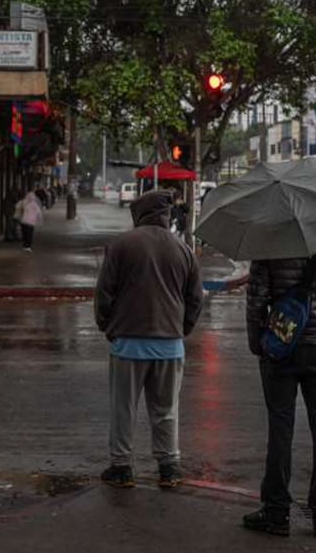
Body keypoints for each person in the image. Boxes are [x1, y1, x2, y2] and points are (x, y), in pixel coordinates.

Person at [243, 233, 316, 538]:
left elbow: (256, 298)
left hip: (281, 348)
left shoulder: (269, 240)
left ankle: (276, 513)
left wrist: (258, 343)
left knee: (280, 429)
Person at [94, 190, 203, 490]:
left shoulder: (121, 245)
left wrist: (108, 326)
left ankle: (121, 467)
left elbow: (104, 293)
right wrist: (181, 329)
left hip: (128, 342)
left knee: (124, 408)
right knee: (166, 409)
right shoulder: (183, 250)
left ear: (138, 214)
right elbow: (195, 300)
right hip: (170, 344)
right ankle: (169, 467)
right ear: (166, 216)